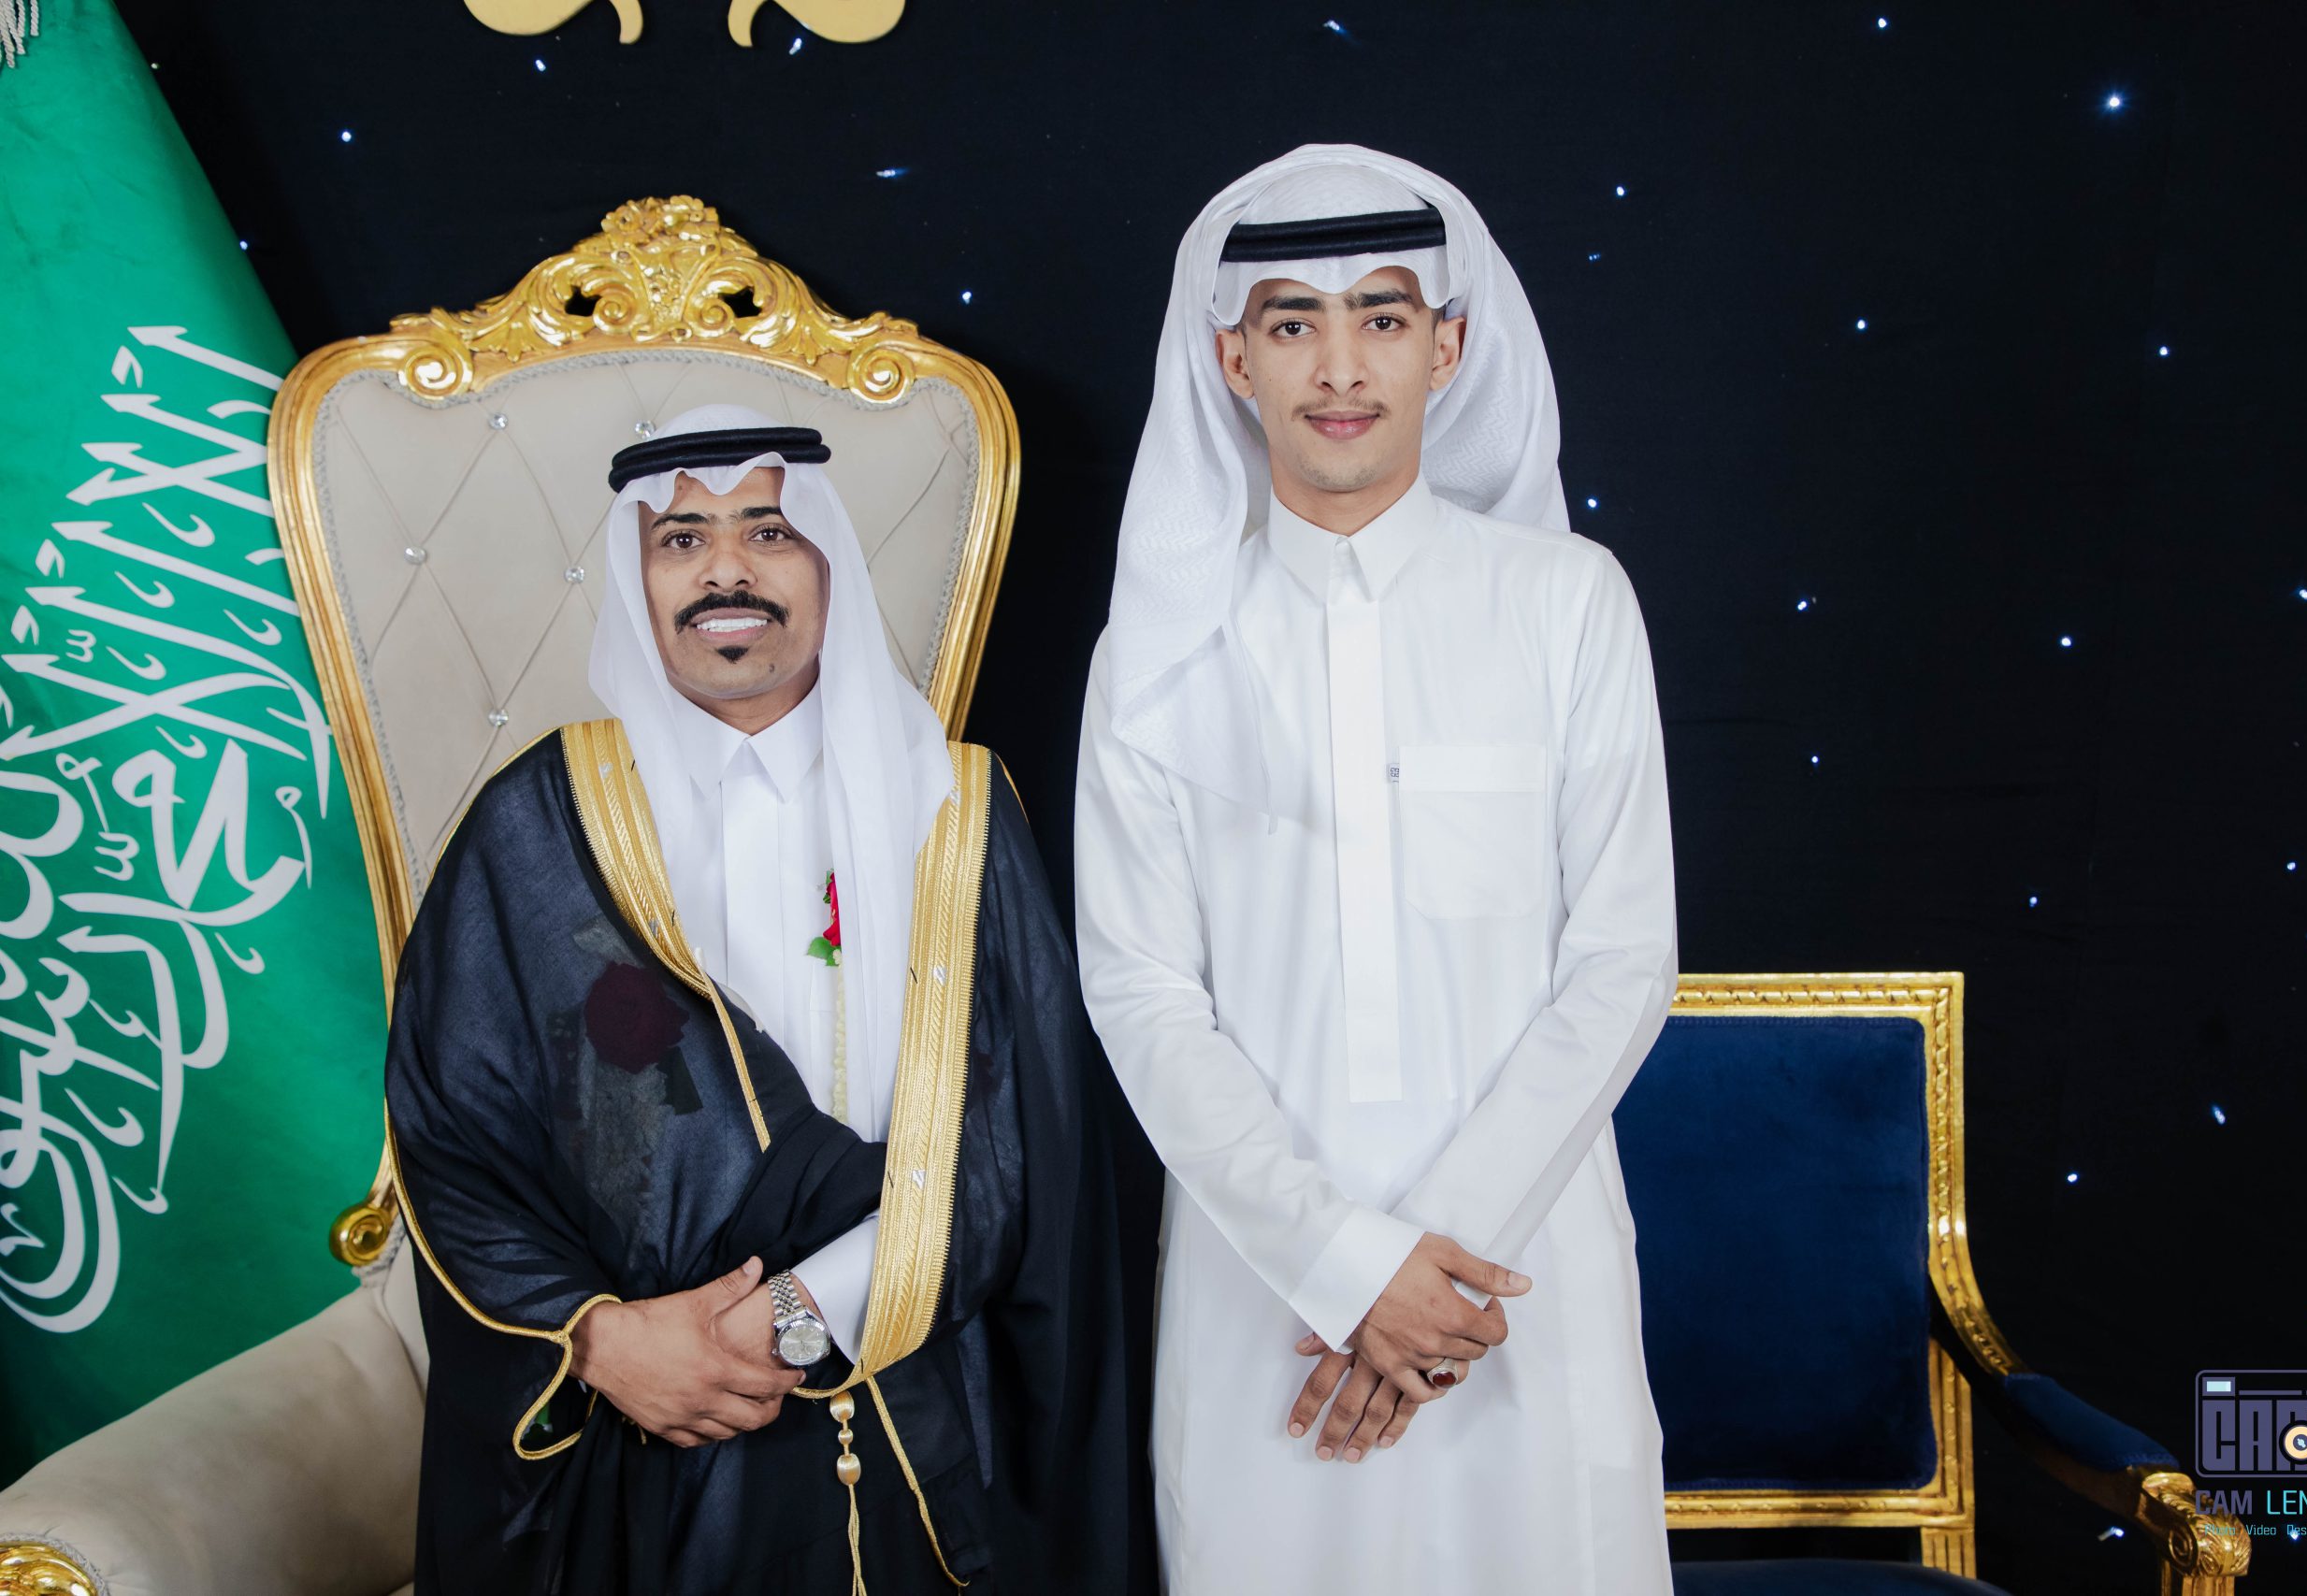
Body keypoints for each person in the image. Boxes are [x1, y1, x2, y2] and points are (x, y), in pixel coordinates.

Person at [387, 405, 1152, 1594]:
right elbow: (452, 1140)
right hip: (641, 1434)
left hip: (908, 1397)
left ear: (829, 564)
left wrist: (794, 1318)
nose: (726, 571)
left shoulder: (952, 812)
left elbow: (1018, 1147)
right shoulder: (536, 822)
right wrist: (604, 1340)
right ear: (638, 580)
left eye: (769, 531)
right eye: (682, 540)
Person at [1074, 145, 1680, 1591]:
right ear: (1232, 357)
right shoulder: (1157, 650)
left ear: (1448, 347)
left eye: (1384, 317)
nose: (1340, 366)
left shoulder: (1567, 601)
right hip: (1267, 1299)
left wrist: (1428, 1279)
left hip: (1519, 1283)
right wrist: (1344, 1267)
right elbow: (1143, 995)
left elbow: (1620, 961)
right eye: (1293, 321)